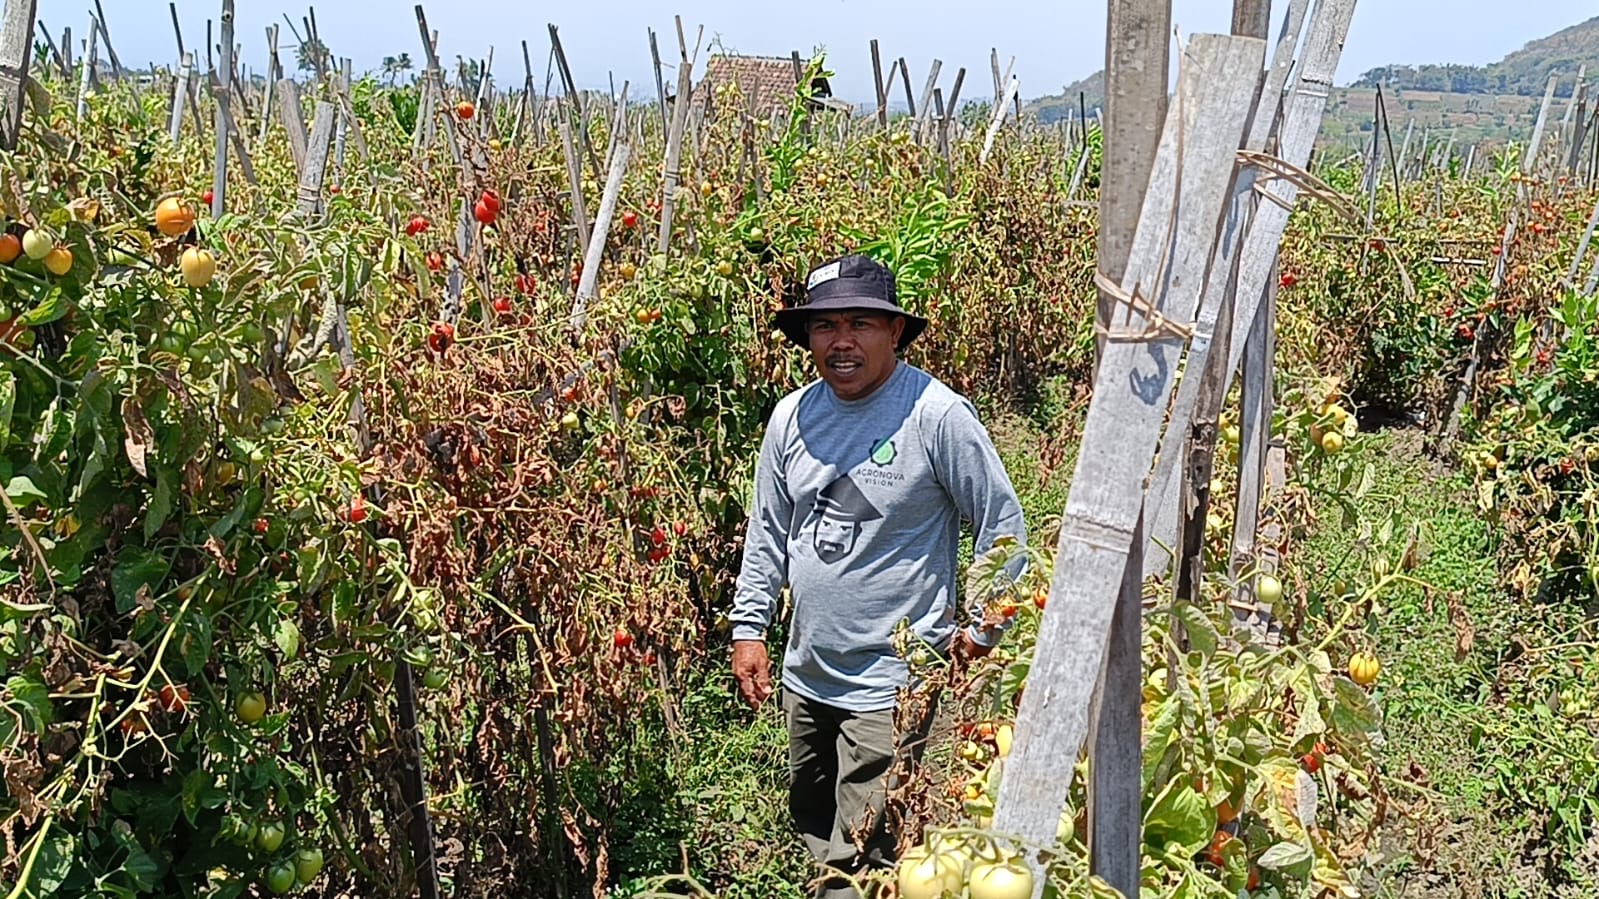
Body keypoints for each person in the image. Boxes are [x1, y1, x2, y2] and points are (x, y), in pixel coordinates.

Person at [729, 254, 1027, 898]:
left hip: (890, 684)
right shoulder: (792, 417)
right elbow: (769, 532)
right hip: (808, 672)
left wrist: (984, 627)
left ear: (894, 333)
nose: (841, 341)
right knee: (813, 818)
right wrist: (749, 627)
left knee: (861, 852)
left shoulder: (935, 416)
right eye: (825, 325)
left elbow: (1002, 528)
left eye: (860, 323)